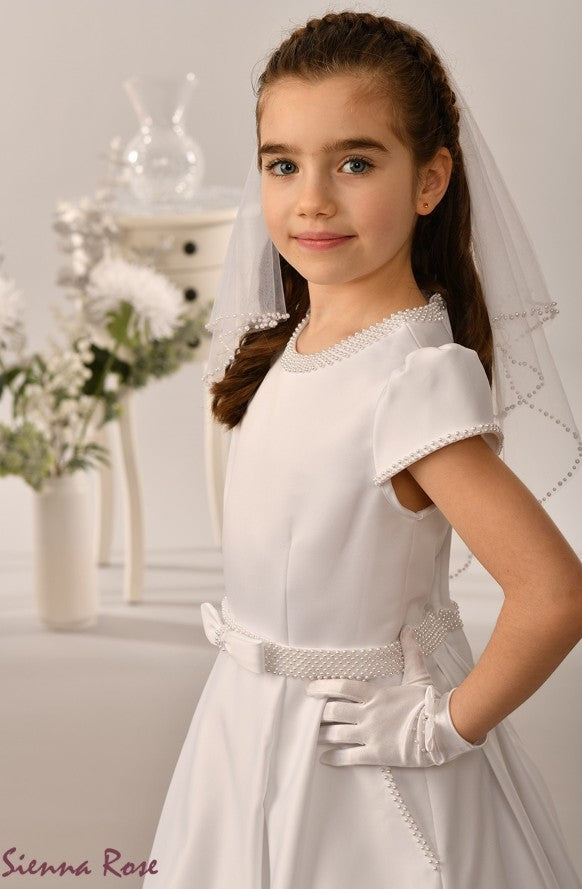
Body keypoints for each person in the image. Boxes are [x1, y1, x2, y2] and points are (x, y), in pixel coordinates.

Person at [142, 11, 582, 888]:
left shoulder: (412, 379)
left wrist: (440, 726)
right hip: (244, 725)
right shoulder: (294, 344)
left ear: (430, 180)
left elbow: (555, 592)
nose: (311, 198)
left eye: (354, 163)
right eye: (282, 164)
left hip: (358, 752)